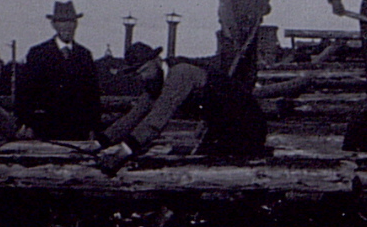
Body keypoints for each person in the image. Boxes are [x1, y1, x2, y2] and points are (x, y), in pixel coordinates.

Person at [95, 43, 267, 175]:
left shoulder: (180, 73)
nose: (143, 77)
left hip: (246, 124)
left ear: (157, 60)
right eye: (139, 73)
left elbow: (156, 120)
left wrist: (122, 154)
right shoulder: (156, 80)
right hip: (220, 126)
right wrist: (99, 142)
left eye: (145, 70)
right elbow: (135, 115)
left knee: (215, 174)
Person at [15, 1, 101, 140]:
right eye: (62, 22)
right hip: (44, 127)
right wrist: (26, 123)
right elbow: (25, 93)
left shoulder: (84, 55)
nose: (67, 26)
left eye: (71, 22)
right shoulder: (38, 53)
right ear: (53, 24)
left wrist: (94, 128)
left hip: (78, 129)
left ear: (76, 24)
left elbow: (93, 96)